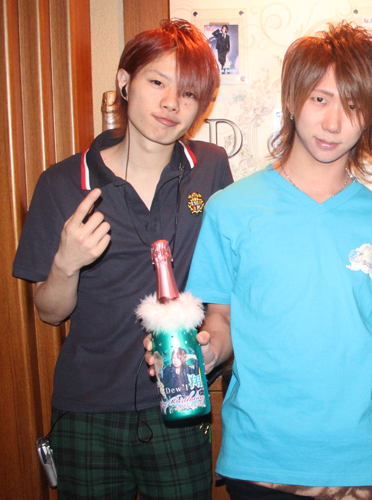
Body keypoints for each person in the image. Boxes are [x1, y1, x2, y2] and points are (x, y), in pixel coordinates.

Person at [177, 21, 372, 500]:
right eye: (320, 99)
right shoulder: (230, 209)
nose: (333, 123)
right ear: (292, 99)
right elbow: (221, 321)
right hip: (259, 461)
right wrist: (206, 352)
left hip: (358, 464)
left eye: (353, 105)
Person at [12, 19, 233, 499]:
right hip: (86, 410)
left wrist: (216, 347)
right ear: (124, 81)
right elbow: (49, 312)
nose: (171, 103)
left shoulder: (211, 168)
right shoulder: (63, 182)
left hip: (181, 403)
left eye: (189, 94)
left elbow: (227, 284)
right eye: (157, 82)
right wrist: (67, 263)